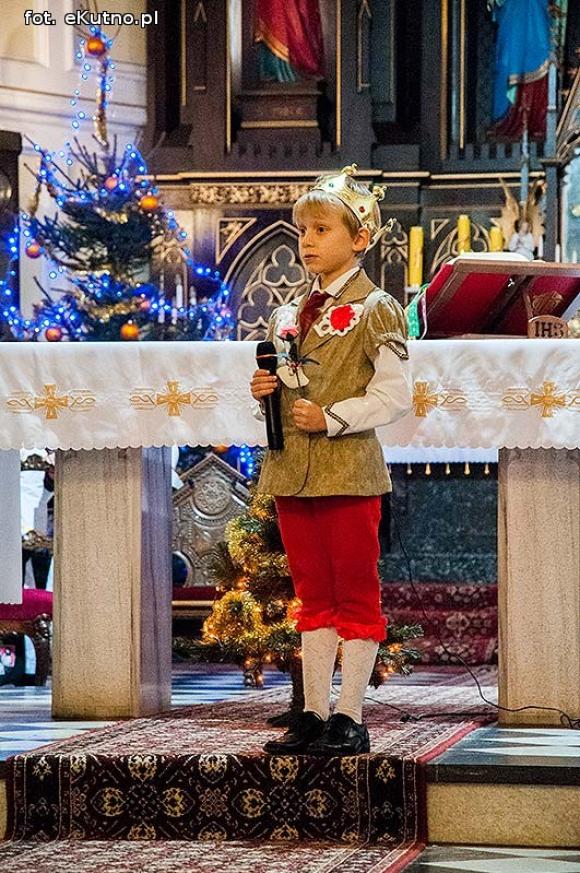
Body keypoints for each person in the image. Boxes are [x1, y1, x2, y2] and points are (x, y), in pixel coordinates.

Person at [250, 165, 412, 756]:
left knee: (355, 594)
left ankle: (350, 717)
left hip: (347, 471)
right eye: (303, 231)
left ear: (359, 238)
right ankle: (314, 712)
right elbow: (293, 385)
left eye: (322, 230)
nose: (308, 241)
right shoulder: (288, 314)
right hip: (293, 471)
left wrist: (332, 417)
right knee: (312, 595)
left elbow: (395, 395)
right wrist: (267, 393)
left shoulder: (377, 308)